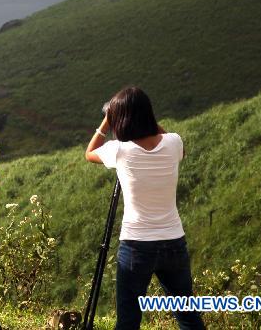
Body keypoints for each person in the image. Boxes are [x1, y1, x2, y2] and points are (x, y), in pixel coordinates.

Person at [85, 86, 205, 330]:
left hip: (137, 246)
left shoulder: (119, 150)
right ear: (148, 114)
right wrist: (146, 120)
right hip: (174, 242)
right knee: (188, 317)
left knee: (128, 321)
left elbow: (89, 153)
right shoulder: (174, 143)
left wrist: (106, 122)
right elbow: (169, 141)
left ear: (121, 119)